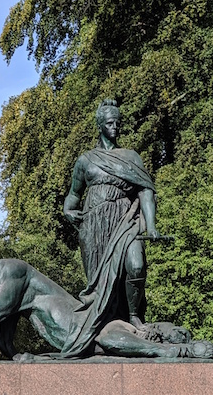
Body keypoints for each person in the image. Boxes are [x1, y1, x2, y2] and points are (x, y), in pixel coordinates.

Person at [63, 99, 160, 335]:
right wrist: (68, 210)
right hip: (94, 225)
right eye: (109, 123)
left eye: (117, 122)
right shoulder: (85, 160)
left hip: (126, 220)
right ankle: (102, 325)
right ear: (100, 126)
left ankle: (134, 316)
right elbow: (74, 194)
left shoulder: (131, 157)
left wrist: (151, 226)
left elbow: (145, 190)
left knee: (136, 266)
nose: (115, 127)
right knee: (100, 283)